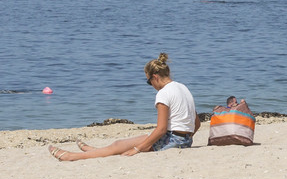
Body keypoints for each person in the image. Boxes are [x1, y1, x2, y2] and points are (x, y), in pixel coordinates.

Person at [49, 53, 196, 160]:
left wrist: (138, 149)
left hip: (171, 140)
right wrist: (185, 138)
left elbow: (161, 129)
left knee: (120, 145)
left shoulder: (163, 93)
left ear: (155, 77)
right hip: (186, 140)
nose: (150, 85)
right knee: (121, 145)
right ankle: (97, 151)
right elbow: (197, 123)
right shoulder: (183, 88)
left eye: (148, 82)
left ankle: (72, 156)